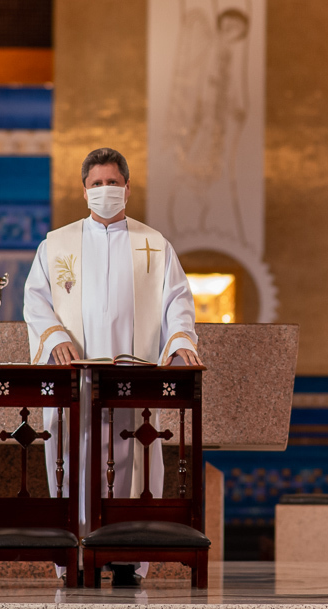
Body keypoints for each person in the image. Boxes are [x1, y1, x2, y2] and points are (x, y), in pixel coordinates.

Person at [23, 147, 202, 585]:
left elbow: (177, 300)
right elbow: (36, 300)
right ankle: (73, 553)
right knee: (72, 459)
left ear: (127, 188)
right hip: (76, 380)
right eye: (97, 184)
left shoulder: (154, 245)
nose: (105, 191)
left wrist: (179, 342)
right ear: (84, 191)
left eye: (113, 183)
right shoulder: (57, 243)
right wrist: (56, 337)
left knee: (134, 461)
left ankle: (129, 555)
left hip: (132, 381)